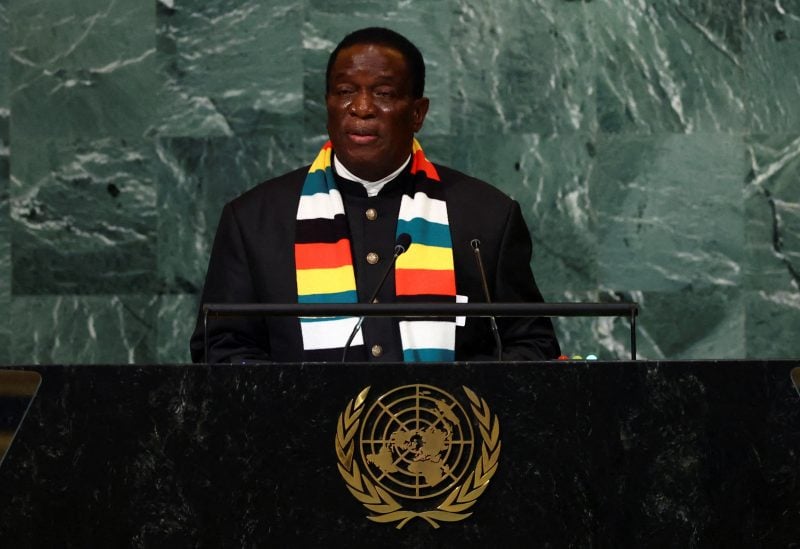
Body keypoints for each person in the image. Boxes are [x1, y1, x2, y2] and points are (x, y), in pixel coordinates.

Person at [190, 27, 560, 363]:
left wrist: (457, 393)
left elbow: (533, 345)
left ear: (417, 113)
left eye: (383, 93)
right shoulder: (255, 221)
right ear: (328, 105)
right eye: (346, 92)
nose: (362, 108)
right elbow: (222, 348)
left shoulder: (485, 216)